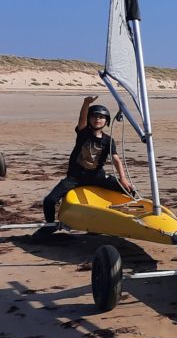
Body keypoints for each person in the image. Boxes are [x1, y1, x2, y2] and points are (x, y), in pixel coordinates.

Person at [37, 96, 133, 236]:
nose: (97, 119)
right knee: (49, 200)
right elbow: (81, 120)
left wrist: (123, 178)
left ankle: (124, 221)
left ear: (106, 121)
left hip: (97, 176)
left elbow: (116, 159)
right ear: (89, 119)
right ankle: (50, 226)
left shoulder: (108, 140)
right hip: (76, 177)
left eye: (101, 117)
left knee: (130, 191)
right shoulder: (83, 133)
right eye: (94, 116)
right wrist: (86, 103)